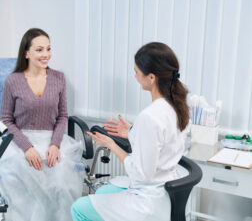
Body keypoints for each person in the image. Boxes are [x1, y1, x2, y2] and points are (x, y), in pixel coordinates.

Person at [71, 42, 190, 221]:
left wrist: (111, 145)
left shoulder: (149, 117)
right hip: (166, 192)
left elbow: (141, 174)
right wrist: (133, 132)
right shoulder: (178, 107)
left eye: (136, 71)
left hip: (147, 202)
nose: (134, 76)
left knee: (78, 208)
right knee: (103, 191)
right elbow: (161, 142)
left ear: (151, 77)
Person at [0, 28, 84, 221]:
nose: (46, 55)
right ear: (26, 53)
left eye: (48, 49)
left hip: (51, 140)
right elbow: (6, 120)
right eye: (39, 50)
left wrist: (55, 144)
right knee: (23, 174)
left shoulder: (58, 78)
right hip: (20, 141)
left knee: (61, 179)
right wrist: (27, 148)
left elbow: (63, 116)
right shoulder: (13, 81)